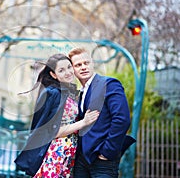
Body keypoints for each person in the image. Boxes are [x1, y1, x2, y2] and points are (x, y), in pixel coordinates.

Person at [14, 53, 99, 177]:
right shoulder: (52, 93)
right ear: (53, 75)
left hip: (69, 154)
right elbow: (51, 131)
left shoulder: (71, 94)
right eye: (61, 70)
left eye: (69, 67)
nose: (68, 72)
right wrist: (83, 122)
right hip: (55, 154)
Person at [68, 47, 136, 178]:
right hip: (81, 160)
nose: (83, 67)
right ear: (73, 70)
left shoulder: (109, 84)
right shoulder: (80, 93)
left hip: (102, 160)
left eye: (86, 63)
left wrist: (107, 152)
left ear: (92, 63)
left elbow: (122, 119)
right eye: (78, 65)